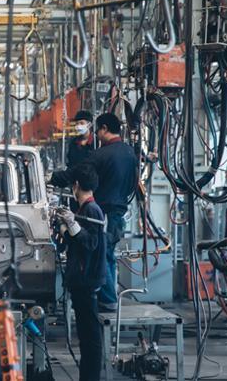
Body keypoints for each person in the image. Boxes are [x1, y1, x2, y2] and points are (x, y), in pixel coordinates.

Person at [50, 113, 137, 311]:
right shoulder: (130, 153)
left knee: (101, 254)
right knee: (109, 254)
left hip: (103, 211)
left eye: (98, 130)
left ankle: (107, 300)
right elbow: (133, 184)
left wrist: (53, 178)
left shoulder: (101, 154)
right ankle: (109, 297)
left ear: (104, 128)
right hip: (119, 211)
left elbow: (77, 173)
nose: (97, 134)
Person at [57, 164, 106, 381]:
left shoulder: (92, 210)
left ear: (76, 185)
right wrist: (64, 226)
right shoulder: (83, 209)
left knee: (91, 337)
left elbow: (90, 243)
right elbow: (75, 240)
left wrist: (72, 224)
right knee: (85, 337)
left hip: (87, 281)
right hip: (81, 280)